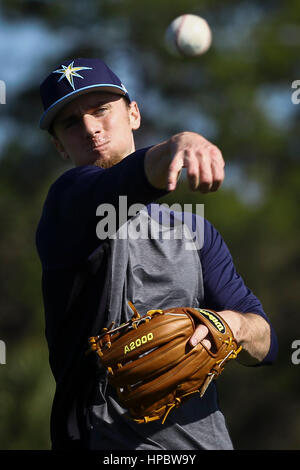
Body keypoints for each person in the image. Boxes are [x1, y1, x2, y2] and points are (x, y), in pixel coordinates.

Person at [36, 58, 278, 451]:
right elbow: (121, 183)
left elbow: (267, 346)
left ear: (133, 113)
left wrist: (231, 326)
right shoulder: (67, 208)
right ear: (60, 146)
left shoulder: (195, 231)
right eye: (71, 123)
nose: (91, 128)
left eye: (101, 110)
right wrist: (178, 144)